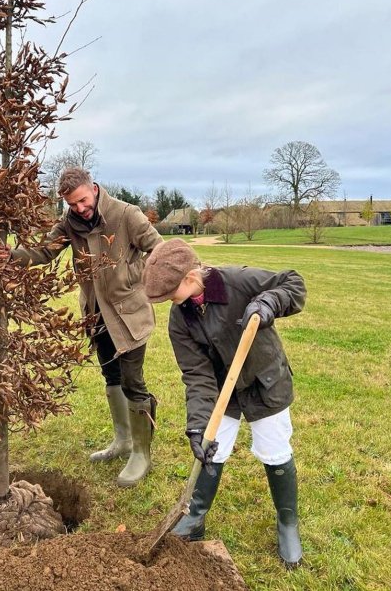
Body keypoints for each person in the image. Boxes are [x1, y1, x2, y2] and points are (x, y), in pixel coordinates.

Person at [0, 167, 162, 487]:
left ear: (94, 189)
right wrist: (12, 255)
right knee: (110, 376)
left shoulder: (126, 215)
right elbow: (44, 251)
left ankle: (141, 452)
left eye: (83, 201)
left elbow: (159, 249)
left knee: (132, 382)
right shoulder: (69, 224)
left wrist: (136, 278)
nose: (80, 209)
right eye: (72, 205)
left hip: (129, 314)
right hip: (96, 314)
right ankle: (123, 441)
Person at [142, 238, 306, 566]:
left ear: (190, 278)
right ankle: (195, 516)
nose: (168, 302)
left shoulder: (237, 281)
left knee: (274, 449)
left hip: (265, 380)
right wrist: (198, 425)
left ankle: (288, 523)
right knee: (212, 445)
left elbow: (294, 283)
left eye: (169, 293)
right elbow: (197, 375)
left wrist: (269, 303)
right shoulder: (181, 319)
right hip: (223, 392)